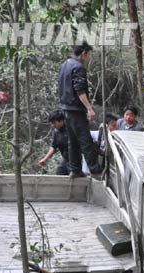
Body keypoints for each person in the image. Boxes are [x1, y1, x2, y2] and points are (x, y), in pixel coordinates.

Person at [58, 41, 101, 178]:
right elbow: (79, 89)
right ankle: (96, 171)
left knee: (73, 141)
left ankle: (75, 169)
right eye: (87, 55)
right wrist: (89, 108)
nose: (87, 58)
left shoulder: (64, 65)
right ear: (83, 53)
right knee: (85, 140)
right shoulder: (78, 67)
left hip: (66, 108)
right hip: (76, 109)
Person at [38, 110, 71, 175]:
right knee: (60, 172)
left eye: (54, 123)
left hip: (75, 160)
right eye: (51, 123)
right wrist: (45, 159)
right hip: (66, 160)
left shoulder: (71, 128)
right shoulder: (56, 131)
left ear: (61, 120)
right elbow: (53, 147)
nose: (52, 125)